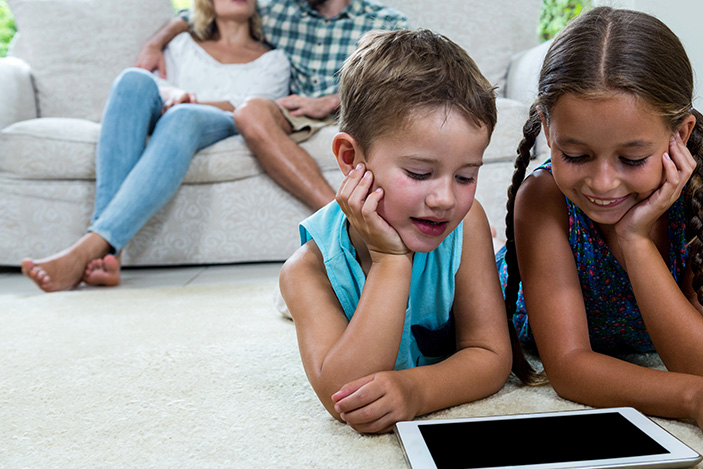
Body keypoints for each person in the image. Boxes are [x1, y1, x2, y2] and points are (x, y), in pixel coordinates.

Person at [498, 7, 703, 463]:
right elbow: (568, 368)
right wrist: (696, 398)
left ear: (680, 134)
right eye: (575, 154)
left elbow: (700, 363)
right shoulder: (543, 199)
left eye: (631, 159)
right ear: (549, 130)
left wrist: (634, 240)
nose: (603, 183)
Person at [278, 29, 524, 434]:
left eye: (465, 176)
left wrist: (416, 390)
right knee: (290, 302)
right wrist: (390, 261)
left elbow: (491, 354)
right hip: (337, 262)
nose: (445, 198)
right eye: (419, 173)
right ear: (350, 158)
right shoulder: (307, 271)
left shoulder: (467, 222)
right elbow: (343, 394)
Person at [21, 0, 290, 292]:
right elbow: (157, 85)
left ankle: (91, 248)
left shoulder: (273, 60)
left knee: (183, 115)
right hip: (172, 114)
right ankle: (109, 256)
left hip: (223, 122)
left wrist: (191, 100)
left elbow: (258, 106)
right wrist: (174, 93)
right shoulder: (181, 45)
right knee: (133, 79)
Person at [136, 0, 408, 211]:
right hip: (293, 110)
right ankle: (340, 219)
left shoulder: (384, 21)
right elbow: (196, 16)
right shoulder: (278, 10)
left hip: (354, 108)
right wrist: (153, 44)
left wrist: (329, 102)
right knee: (250, 111)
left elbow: (400, 81)